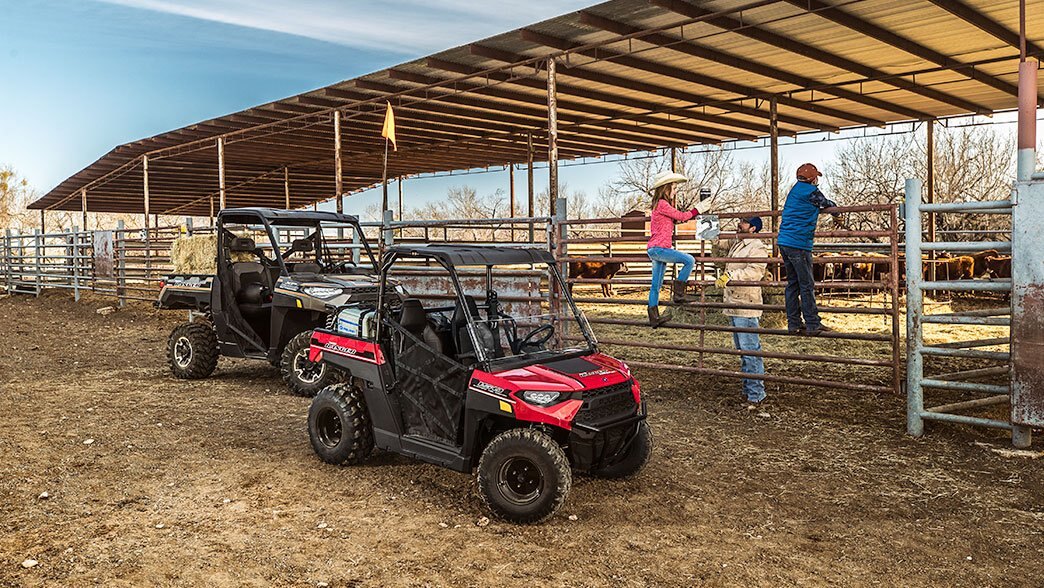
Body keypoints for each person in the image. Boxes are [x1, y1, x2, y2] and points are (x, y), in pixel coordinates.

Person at [645, 170, 717, 327]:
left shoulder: (659, 205)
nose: (675, 191)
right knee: (689, 260)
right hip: (660, 248)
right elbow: (683, 216)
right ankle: (678, 293)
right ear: (666, 188)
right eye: (674, 187)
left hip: (656, 249)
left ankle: (653, 317)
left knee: (656, 285)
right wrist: (698, 208)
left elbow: (674, 220)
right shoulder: (663, 204)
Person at [777, 163, 838, 336]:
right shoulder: (810, 192)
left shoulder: (795, 190)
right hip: (799, 243)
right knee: (806, 284)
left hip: (785, 241)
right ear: (812, 178)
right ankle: (812, 323)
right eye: (816, 177)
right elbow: (827, 203)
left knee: (793, 284)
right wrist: (837, 213)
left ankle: (794, 324)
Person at [715, 217, 768, 404]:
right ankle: (749, 389)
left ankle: (756, 393)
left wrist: (731, 275)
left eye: (744, 223)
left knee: (750, 349)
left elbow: (755, 271)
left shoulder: (757, 248)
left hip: (746, 303)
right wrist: (707, 220)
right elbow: (716, 240)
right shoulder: (738, 243)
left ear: (753, 228)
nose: (740, 224)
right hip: (734, 301)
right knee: (743, 349)